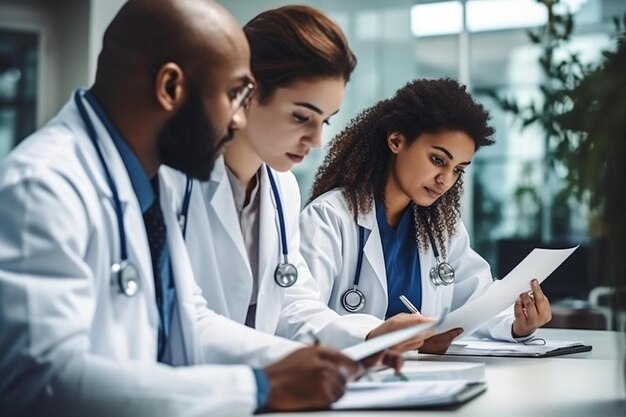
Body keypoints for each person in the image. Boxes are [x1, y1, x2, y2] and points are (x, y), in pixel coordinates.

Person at [0, 1, 365, 416]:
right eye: (233, 96)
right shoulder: (45, 186)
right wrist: (256, 388)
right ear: (170, 87)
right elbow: (40, 381)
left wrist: (306, 366)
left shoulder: (147, 181)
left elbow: (189, 321)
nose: (238, 121)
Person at [162, 4, 432, 352]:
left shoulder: (281, 187)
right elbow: (181, 319)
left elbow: (293, 304)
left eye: (325, 121)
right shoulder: (172, 180)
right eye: (301, 116)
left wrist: (368, 336)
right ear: (248, 92)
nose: (316, 140)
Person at [299, 78, 553, 353]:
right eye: (438, 160)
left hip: (423, 377)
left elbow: (477, 298)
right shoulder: (328, 218)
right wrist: (373, 335)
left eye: (458, 169)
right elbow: (300, 317)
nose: (446, 179)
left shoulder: (442, 226)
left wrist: (518, 323)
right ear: (396, 141)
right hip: (349, 379)